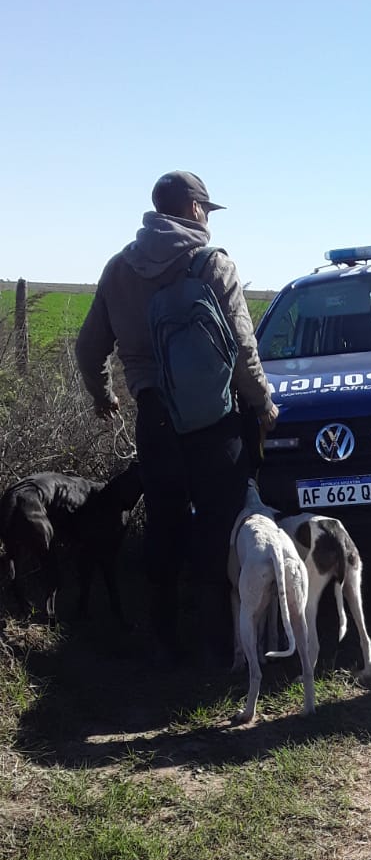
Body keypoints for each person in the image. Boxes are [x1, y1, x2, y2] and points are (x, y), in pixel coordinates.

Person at [75, 170, 278, 664]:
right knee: (219, 522)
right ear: (193, 209)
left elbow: (88, 348)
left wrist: (104, 396)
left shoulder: (118, 268)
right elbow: (243, 351)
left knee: (164, 523)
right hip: (213, 420)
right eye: (206, 209)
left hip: (156, 417)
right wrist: (262, 403)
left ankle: (164, 639)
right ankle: (216, 641)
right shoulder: (212, 264)